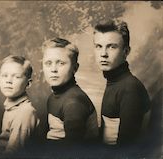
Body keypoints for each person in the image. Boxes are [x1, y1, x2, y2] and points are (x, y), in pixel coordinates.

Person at [93, 19, 150, 147]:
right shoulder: (115, 81)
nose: (103, 54)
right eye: (99, 46)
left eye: (112, 47)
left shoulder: (130, 88)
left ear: (126, 52)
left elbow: (126, 149)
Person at [42, 37, 99, 156]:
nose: (53, 69)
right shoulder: (54, 96)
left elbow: (73, 151)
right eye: (48, 63)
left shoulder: (73, 103)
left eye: (61, 63)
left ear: (75, 68)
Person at [0, 55, 40, 156]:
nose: (9, 81)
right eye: (4, 76)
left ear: (28, 84)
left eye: (16, 77)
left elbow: (14, 152)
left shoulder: (25, 112)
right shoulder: (10, 107)